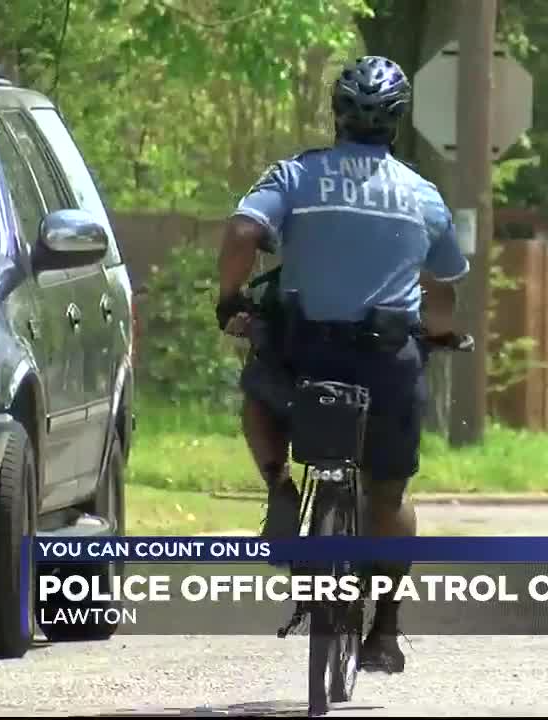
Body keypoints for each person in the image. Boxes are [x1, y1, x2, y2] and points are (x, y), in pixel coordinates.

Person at [213, 55, 470, 674]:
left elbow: (243, 232)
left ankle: (279, 484)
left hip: (305, 348)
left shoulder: (296, 174)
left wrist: (229, 300)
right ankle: (385, 628)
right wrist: (440, 335)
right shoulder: (422, 194)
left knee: (260, 390)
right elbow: (441, 293)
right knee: (389, 492)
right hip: (387, 359)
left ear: (337, 115)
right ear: (398, 122)